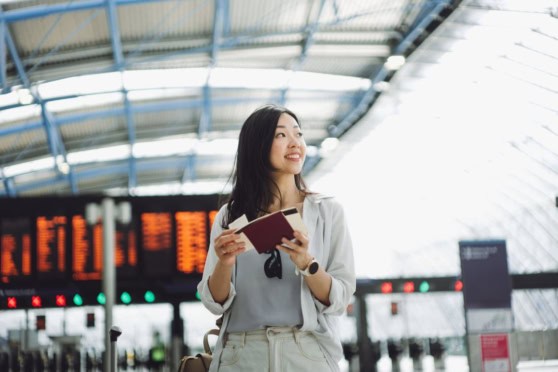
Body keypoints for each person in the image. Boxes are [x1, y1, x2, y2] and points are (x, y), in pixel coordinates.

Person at [197, 104, 356, 372]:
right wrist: (224, 263)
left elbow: (339, 298)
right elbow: (214, 302)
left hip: (306, 355)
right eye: (281, 135)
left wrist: (307, 263)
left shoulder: (328, 212)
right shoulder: (230, 216)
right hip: (242, 356)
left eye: (298, 134)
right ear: (257, 146)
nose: (295, 143)